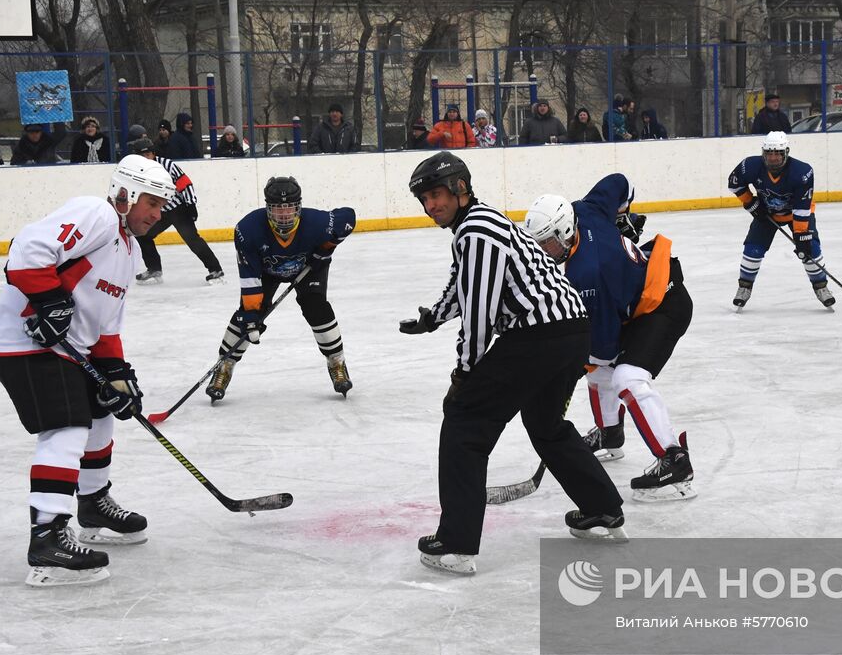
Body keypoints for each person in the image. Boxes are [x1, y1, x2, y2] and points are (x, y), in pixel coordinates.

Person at [399, 151, 625, 575]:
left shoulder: (477, 232)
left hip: (539, 336)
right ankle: (602, 508)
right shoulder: (481, 223)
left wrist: (464, 373)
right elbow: (463, 286)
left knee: (465, 423)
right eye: (424, 200)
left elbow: (480, 314)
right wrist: (433, 317)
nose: (431, 206)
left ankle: (456, 542)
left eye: (436, 195)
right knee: (547, 426)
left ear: (460, 188)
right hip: (572, 333)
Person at [0, 155, 177, 587]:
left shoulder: (127, 251)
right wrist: (51, 301)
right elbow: (26, 252)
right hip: (22, 343)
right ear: (126, 195)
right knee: (67, 427)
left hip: (68, 351)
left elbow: (105, 328)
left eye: (162, 207)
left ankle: (92, 503)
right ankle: (48, 537)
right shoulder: (98, 215)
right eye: (152, 203)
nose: (156, 214)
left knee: (101, 412)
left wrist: (117, 373)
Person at [524, 175, 695, 501]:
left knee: (626, 377)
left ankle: (675, 460)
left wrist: (566, 366)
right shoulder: (582, 210)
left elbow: (604, 348)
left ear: (563, 232)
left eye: (545, 243)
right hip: (638, 299)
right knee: (599, 370)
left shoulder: (587, 274)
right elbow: (620, 183)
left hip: (663, 305)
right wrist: (622, 217)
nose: (541, 251)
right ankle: (610, 434)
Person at [206, 177, 356, 402]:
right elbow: (250, 280)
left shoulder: (317, 222)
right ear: (268, 209)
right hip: (267, 272)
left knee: (316, 307)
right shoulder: (248, 229)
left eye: (289, 208)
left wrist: (324, 250)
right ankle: (225, 366)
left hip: (308, 268)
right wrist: (250, 318)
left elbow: (348, 219)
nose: (284, 215)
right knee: (247, 315)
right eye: (277, 209)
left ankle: (336, 362)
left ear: (299, 207)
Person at [727, 131, 834, 310]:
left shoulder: (802, 172)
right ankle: (744, 287)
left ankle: (821, 287)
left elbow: (802, 206)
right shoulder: (750, 166)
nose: (773, 158)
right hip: (767, 214)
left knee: (810, 250)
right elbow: (734, 183)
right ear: (763, 153)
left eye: (777, 153)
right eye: (769, 153)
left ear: (786, 152)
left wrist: (801, 236)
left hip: (796, 215)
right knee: (752, 249)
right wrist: (751, 203)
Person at [130, 137, 225, 284]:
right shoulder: (136, 172)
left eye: (148, 154)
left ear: (154, 153)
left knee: (192, 239)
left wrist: (191, 205)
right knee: (143, 236)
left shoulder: (166, 165)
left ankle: (215, 269)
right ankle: (154, 268)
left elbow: (185, 184)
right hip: (159, 212)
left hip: (178, 209)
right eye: (142, 156)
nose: (146, 158)